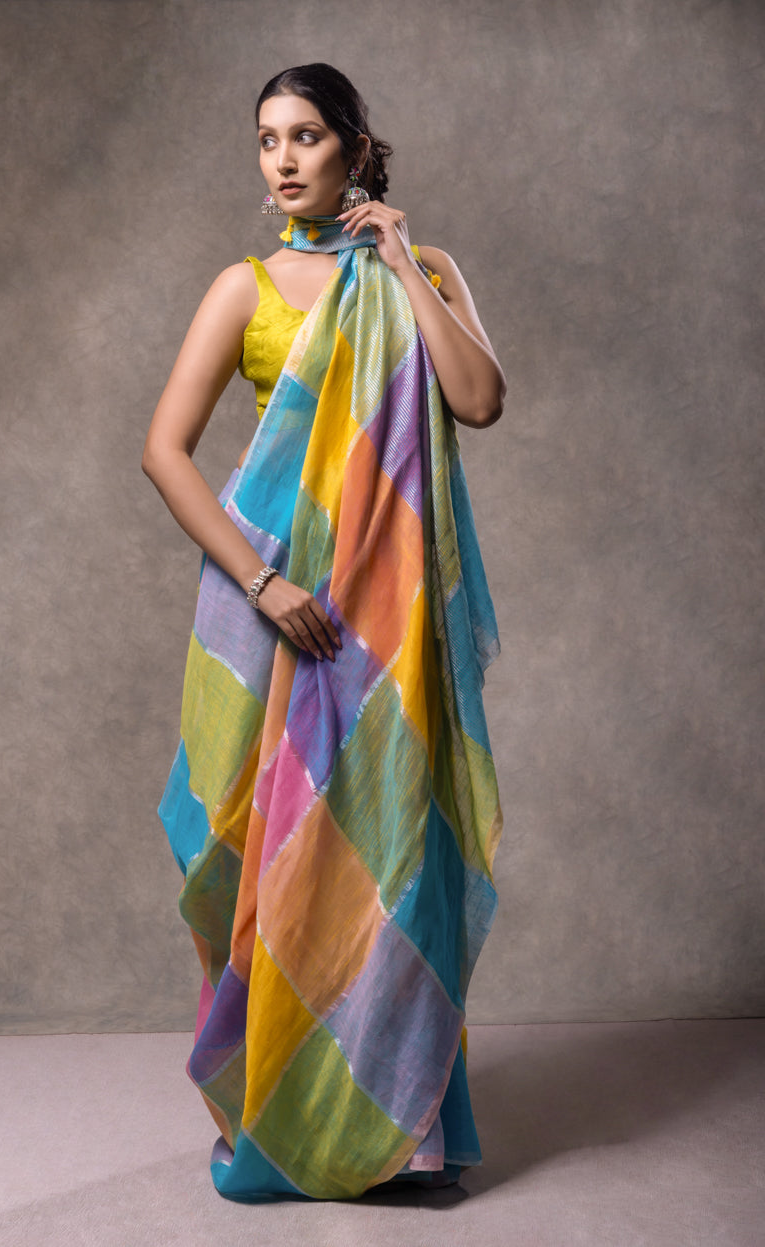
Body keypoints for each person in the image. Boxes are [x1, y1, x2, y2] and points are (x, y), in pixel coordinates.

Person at [143, 62, 506, 1202]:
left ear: (356, 145)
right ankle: (275, 1126)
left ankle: (400, 1138)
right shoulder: (242, 289)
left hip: (391, 625)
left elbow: (481, 398)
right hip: (276, 612)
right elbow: (165, 451)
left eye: (306, 135)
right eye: (266, 139)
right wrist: (262, 585)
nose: (284, 158)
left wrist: (401, 259)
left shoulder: (421, 269)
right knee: (267, 865)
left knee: (392, 860)